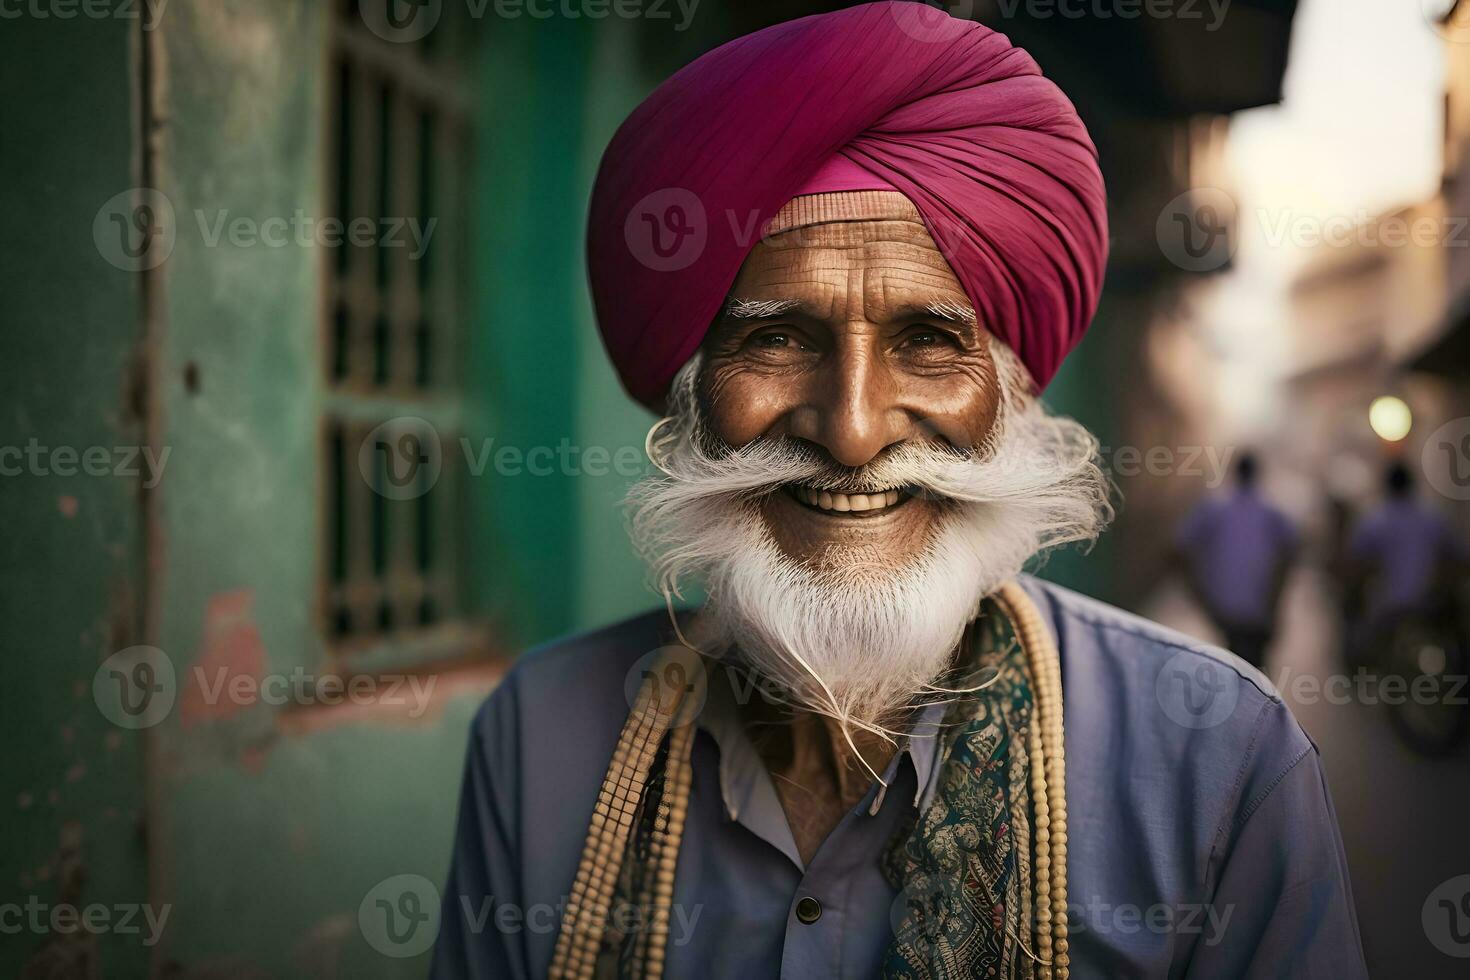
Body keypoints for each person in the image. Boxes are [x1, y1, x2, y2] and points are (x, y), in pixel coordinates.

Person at [433, 6, 1366, 978]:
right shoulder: (538, 738)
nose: (852, 428)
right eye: (777, 339)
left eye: (930, 342)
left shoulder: (1221, 763)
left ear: (1013, 396)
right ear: (691, 393)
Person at [1173, 453, 1298, 669]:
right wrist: (1276, 597)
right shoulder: (1272, 512)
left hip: (1224, 605)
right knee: (1254, 671)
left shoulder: (1213, 509)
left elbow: (1178, 550)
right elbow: (1291, 552)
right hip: (1259, 605)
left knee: (1230, 665)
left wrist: (1199, 594)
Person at [1345, 461, 1467, 646]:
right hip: (1428, 605)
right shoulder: (1433, 518)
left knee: (1360, 646)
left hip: (1387, 608)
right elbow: (1460, 555)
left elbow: (1355, 560)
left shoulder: (1374, 520)